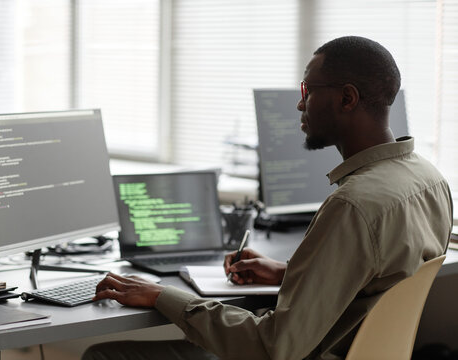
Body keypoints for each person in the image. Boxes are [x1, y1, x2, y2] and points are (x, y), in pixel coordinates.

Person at [83, 36, 453, 360]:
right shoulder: (430, 179)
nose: (299, 104)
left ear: (346, 98)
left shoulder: (352, 205)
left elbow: (274, 347)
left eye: (307, 91)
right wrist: (291, 273)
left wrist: (162, 296)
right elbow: (375, 279)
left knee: (104, 354)